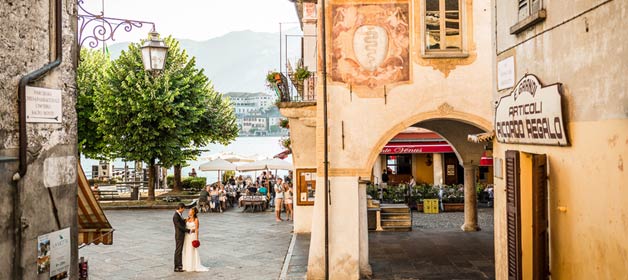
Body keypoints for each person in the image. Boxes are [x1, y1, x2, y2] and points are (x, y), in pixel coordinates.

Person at [182, 207, 208, 272]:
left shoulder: (196, 220)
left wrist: (196, 239)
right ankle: (186, 265)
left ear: (193, 212)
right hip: (186, 236)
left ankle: (193, 265)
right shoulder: (187, 219)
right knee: (186, 249)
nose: (189, 211)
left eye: (190, 210)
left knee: (192, 250)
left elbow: (196, 230)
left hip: (192, 236)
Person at [173, 203, 193, 272]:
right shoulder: (175, 216)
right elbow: (179, 226)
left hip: (181, 235)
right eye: (183, 209)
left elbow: (181, 222)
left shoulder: (179, 214)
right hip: (179, 235)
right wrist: (188, 230)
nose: (184, 210)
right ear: (180, 208)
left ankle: (179, 265)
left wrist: (185, 220)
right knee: (178, 251)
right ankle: (177, 267)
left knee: (179, 250)